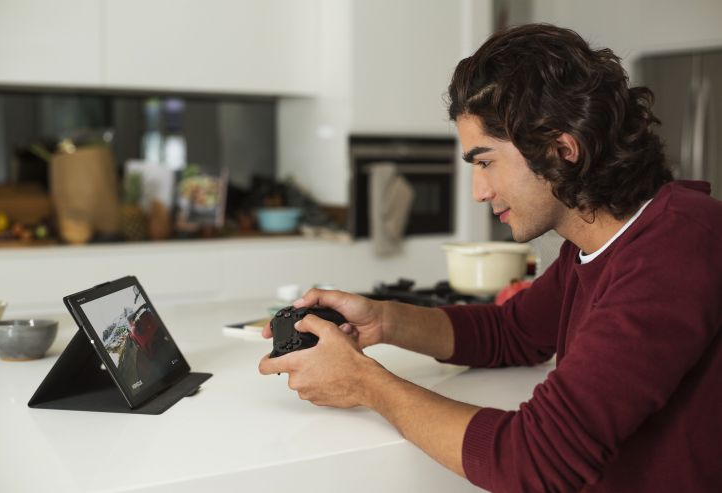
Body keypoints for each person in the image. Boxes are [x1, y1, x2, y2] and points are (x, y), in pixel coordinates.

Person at [258, 23, 722, 492]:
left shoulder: (678, 246)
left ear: (562, 149)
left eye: (485, 162)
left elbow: (537, 460)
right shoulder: (599, 243)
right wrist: (384, 321)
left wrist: (364, 383)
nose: (479, 191)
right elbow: (513, 333)